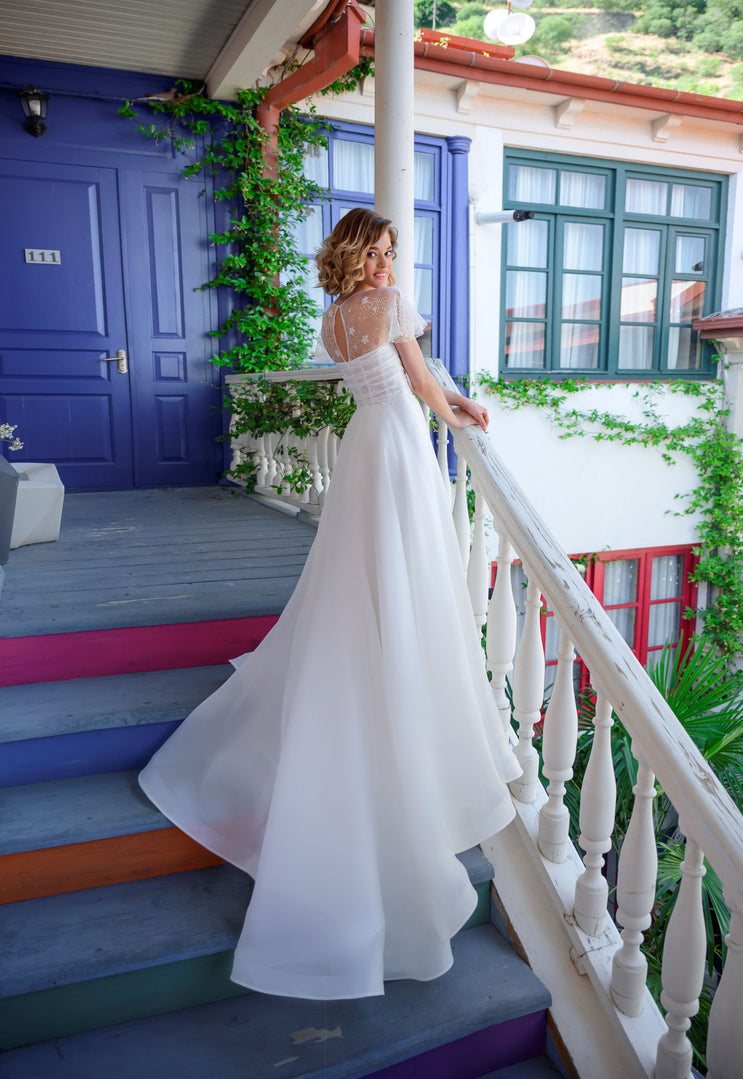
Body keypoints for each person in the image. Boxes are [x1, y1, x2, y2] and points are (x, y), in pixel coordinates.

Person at [139, 207, 521, 1001]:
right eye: (375, 252)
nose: (385, 262)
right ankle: (396, 654)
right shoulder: (388, 307)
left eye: (389, 252)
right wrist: (461, 412)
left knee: (362, 562)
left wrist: (438, 402)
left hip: (366, 446)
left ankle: (379, 643)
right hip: (400, 445)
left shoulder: (332, 318)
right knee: (402, 560)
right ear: (356, 255)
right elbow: (420, 382)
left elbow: (384, 376)